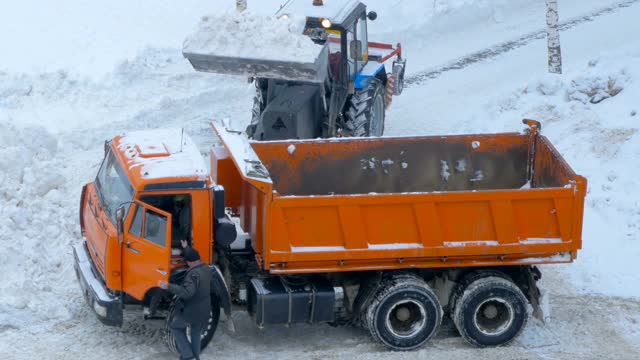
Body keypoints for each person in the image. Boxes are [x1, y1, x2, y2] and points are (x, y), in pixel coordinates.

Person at [159, 240, 212, 360]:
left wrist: (168, 286)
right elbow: (193, 254)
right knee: (196, 332)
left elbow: (187, 293)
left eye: (187, 262)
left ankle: (188, 355)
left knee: (176, 326)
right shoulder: (206, 268)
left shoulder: (193, 275)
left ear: (190, 262)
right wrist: (186, 247)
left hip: (192, 311)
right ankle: (195, 357)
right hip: (204, 309)